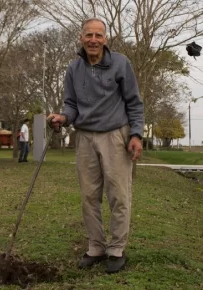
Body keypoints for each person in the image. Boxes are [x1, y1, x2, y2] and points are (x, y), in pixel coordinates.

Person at [47, 18, 144, 274]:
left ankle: (116, 249)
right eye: (88, 35)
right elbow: (71, 105)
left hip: (115, 136)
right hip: (85, 138)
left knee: (118, 195)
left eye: (98, 35)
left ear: (105, 39)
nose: (93, 39)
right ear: (81, 38)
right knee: (89, 196)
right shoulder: (73, 69)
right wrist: (63, 118)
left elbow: (134, 102)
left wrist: (136, 134)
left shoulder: (121, 63)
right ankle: (96, 247)